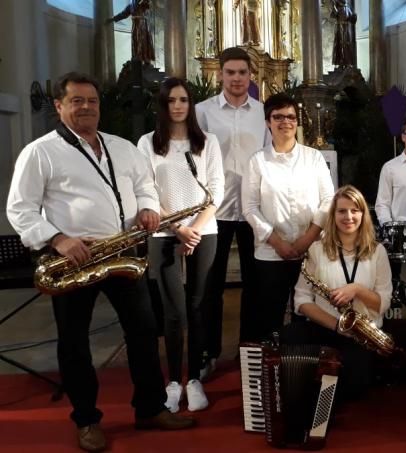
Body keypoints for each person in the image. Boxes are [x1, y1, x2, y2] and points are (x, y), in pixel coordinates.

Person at [6, 72, 194, 453]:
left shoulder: (122, 147)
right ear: (59, 106)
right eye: (77, 101)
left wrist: (148, 210)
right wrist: (58, 239)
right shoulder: (40, 152)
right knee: (75, 344)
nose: (87, 107)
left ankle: (150, 409)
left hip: (122, 253)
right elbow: (20, 209)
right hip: (75, 259)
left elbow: (146, 188)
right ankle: (87, 420)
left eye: (92, 101)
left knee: (143, 333)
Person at [137, 78, 225, 413]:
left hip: (205, 231)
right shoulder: (147, 143)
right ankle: (173, 381)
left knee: (198, 305)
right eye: (171, 100)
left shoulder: (208, 142)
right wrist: (177, 229)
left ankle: (195, 379)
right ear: (162, 104)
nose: (178, 106)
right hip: (163, 234)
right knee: (174, 312)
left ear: (191, 105)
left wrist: (196, 230)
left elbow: (216, 189)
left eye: (184, 100)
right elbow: (145, 191)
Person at [196, 47, 268, 379]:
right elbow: (191, 159)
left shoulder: (263, 112)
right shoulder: (202, 112)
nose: (237, 78)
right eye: (230, 72)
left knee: (255, 285)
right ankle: (207, 352)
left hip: (253, 210)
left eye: (242, 72)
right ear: (220, 74)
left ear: (250, 75)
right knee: (209, 285)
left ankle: (250, 351)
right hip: (214, 211)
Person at [284, 185, 392, 400]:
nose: (349, 216)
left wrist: (357, 290)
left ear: (363, 214)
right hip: (327, 327)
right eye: (342, 211)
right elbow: (301, 300)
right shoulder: (316, 249)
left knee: (354, 386)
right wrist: (336, 326)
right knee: (281, 342)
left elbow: (383, 304)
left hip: (363, 334)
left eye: (355, 210)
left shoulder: (378, 251)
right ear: (333, 215)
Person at [242, 92, 335, 340]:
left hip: (312, 250)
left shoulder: (313, 158)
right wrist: (278, 242)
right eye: (278, 116)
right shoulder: (257, 161)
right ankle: (272, 369)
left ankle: (303, 369)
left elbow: (328, 200)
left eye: (291, 116)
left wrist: (308, 238)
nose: (286, 122)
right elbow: (250, 207)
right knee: (270, 316)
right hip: (271, 253)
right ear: (268, 122)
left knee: (308, 315)